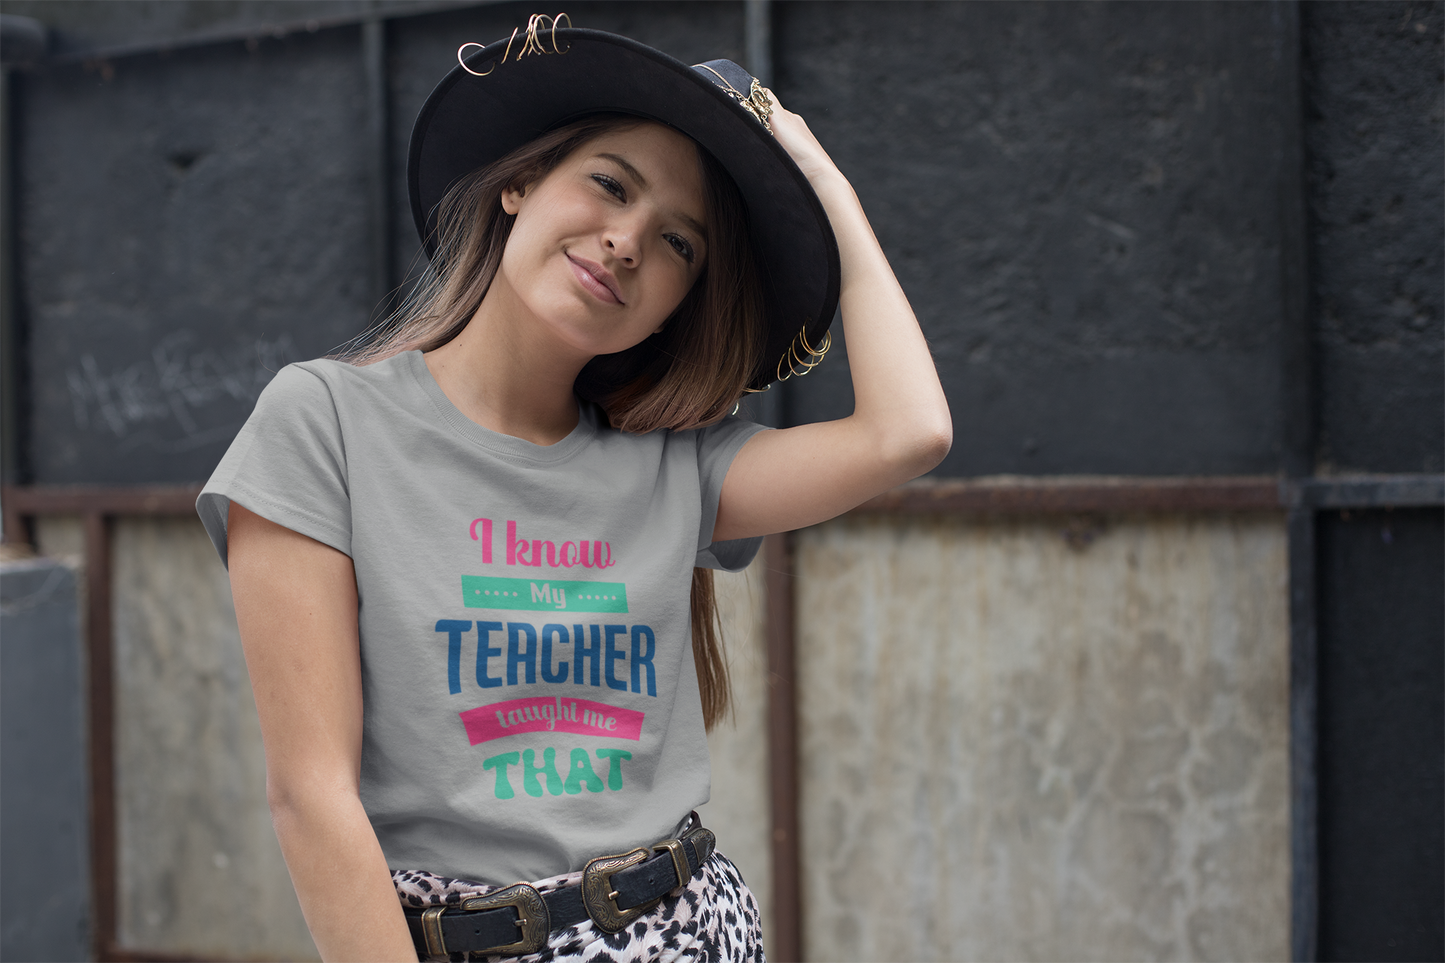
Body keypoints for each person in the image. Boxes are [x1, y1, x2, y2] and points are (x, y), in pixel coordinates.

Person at [197, 20, 951, 963]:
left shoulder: (676, 465)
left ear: (680, 300)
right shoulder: (325, 422)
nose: (627, 241)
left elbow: (908, 432)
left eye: (678, 242)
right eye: (609, 183)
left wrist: (821, 182)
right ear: (519, 181)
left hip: (691, 930)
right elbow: (311, 798)